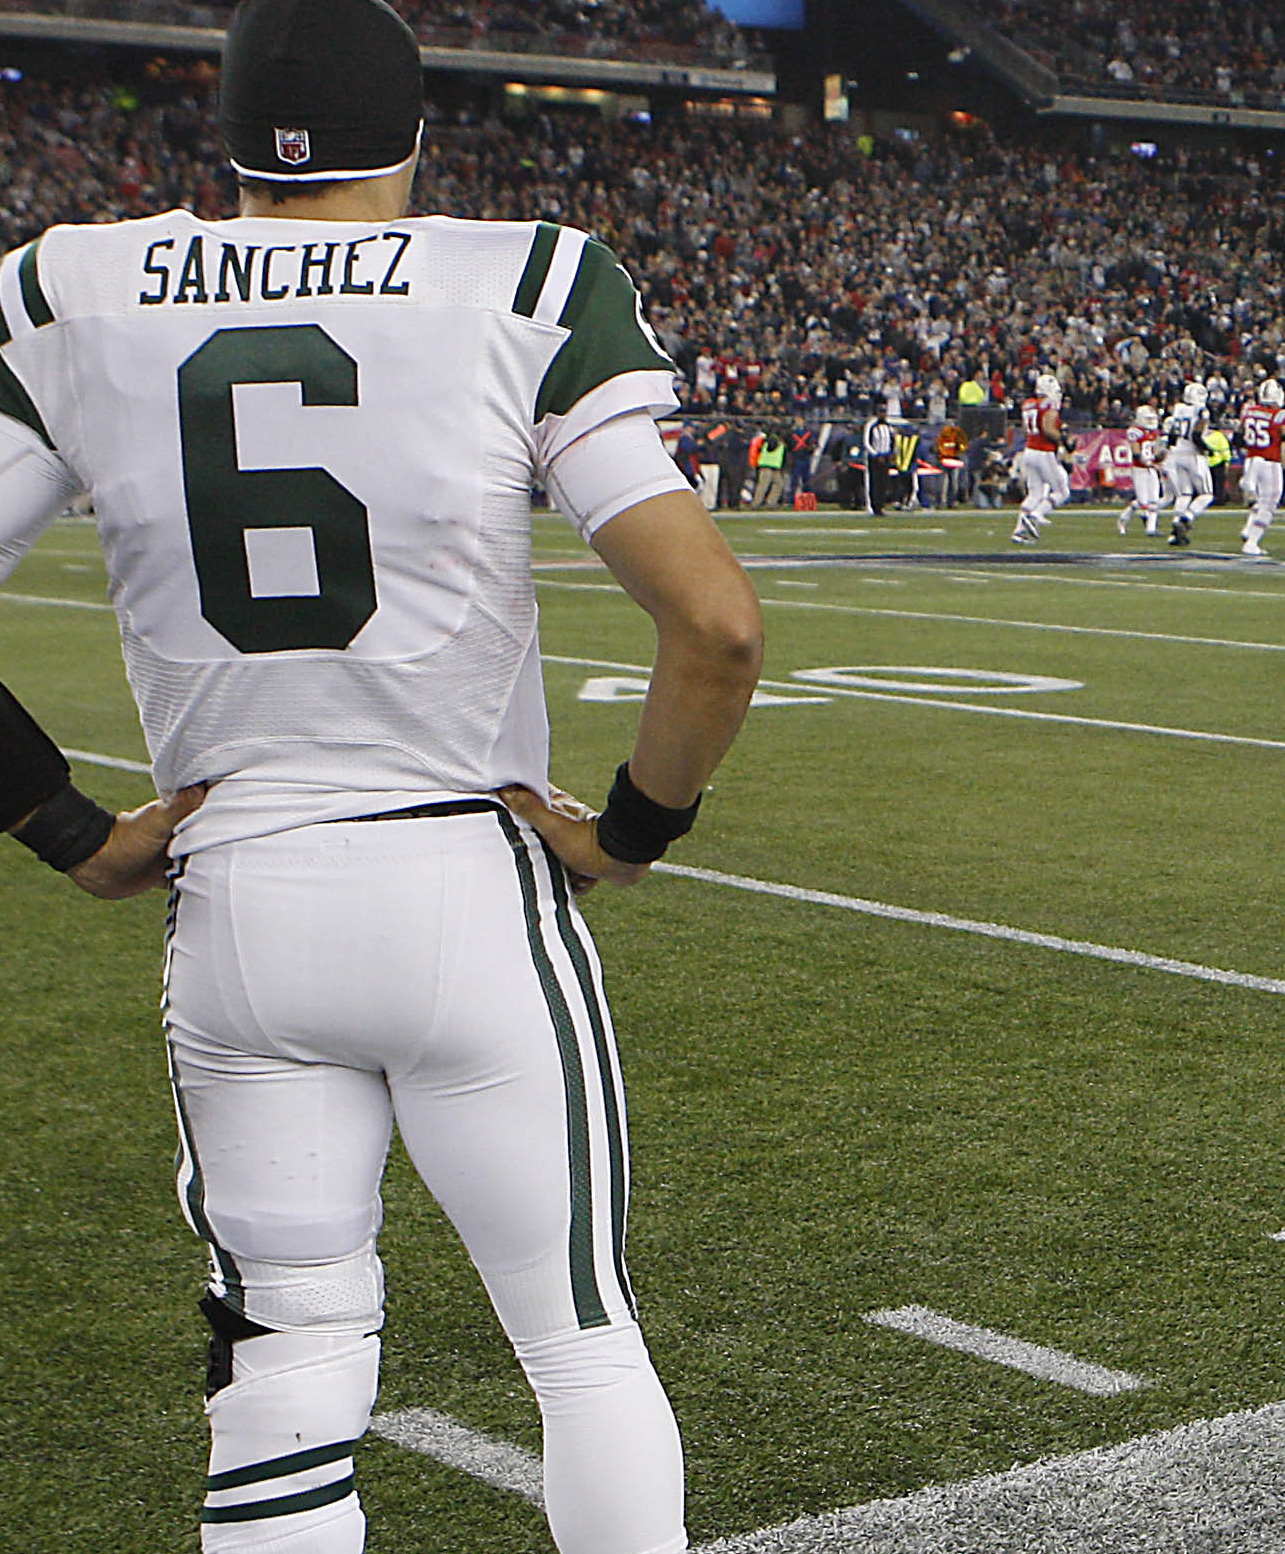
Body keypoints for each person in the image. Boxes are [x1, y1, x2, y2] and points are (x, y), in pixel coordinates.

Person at [0, 3, 767, 1550]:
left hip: (236, 912)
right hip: (460, 887)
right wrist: (628, 830)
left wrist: (68, 827)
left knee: (283, 1377)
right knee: (579, 1344)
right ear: (417, 132)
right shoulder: (526, 284)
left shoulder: (70, 291)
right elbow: (716, 624)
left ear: (225, 132)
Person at [1236, 378, 1285, 556]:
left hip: (1250, 459)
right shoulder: (1281, 415)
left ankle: (1248, 528)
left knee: (1259, 500)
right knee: (1270, 502)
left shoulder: (1249, 411)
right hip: (1269, 461)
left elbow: (1238, 438)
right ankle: (1252, 541)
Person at [1011, 371, 1069, 545]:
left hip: (1029, 450)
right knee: (1061, 491)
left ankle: (1019, 531)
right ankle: (1036, 515)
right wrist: (1063, 438)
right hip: (1043, 451)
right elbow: (1047, 428)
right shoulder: (1049, 404)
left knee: (1034, 493)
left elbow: (1026, 428)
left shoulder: (1028, 404)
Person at [1162, 381, 1213, 546]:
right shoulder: (1201, 410)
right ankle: (1186, 519)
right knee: (1206, 494)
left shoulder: (1178, 409)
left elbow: (1172, 435)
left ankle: (1174, 530)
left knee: (1184, 494)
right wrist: (1208, 449)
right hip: (1192, 453)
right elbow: (1197, 436)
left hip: (1177, 453)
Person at [1120, 403, 1165, 536]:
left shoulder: (1153, 433)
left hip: (1150, 467)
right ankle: (1123, 519)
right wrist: (1151, 463)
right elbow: (1136, 454)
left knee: (1154, 500)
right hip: (1140, 468)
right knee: (1142, 501)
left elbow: (1155, 453)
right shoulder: (1135, 431)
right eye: (1148, 419)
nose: (1151, 422)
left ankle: (1151, 529)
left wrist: (1161, 456)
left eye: (1152, 418)